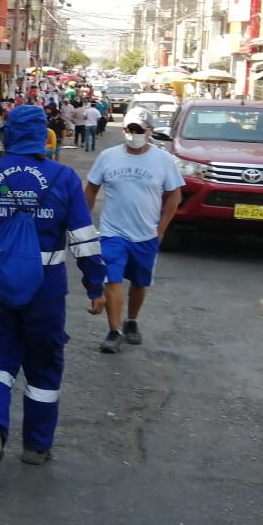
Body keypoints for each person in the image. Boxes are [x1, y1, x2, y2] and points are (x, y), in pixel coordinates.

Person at [0, 105, 107, 481]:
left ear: (9, 134)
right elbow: (84, 241)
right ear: (43, 136)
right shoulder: (64, 178)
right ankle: (36, 446)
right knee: (43, 364)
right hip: (45, 285)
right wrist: (95, 286)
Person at [84, 107, 185, 354]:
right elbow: (91, 190)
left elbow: (174, 196)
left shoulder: (163, 160)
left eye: (138, 130)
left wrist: (161, 228)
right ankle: (114, 330)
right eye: (129, 129)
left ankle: (132, 320)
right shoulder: (108, 157)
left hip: (146, 234)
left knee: (140, 282)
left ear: (149, 131)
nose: (132, 134)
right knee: (112, 278)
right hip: (112, 232)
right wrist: (83, 223)